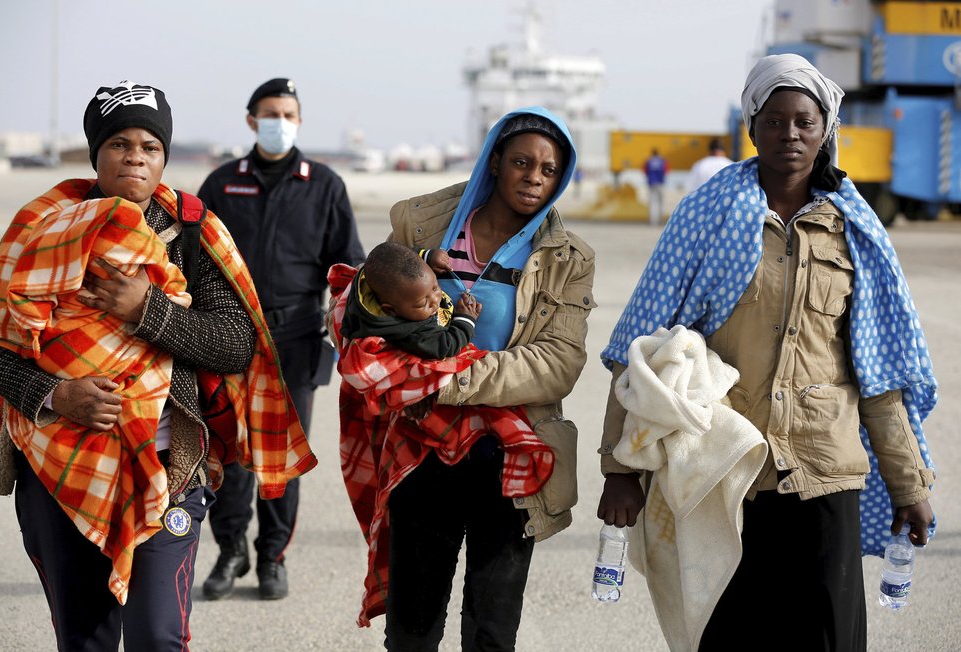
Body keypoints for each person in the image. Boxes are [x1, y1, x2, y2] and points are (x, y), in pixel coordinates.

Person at [598, 54, 937, 651]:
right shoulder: (706, 216)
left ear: (825, 130)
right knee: (732, 636)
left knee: (829, 638)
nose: (790, 135)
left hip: (824, 470)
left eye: (804, 122)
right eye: (774, 121)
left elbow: (881, 373)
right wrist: (620, 472)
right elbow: (641, 352)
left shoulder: (854, 228)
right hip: (725, 469)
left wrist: (909, 487)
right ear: (751, 127)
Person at [0, 80, 313, 651]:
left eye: (150, 146)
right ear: (96, 154)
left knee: (158, 637)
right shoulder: (41, 227)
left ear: (163, 157)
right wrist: (56, 396)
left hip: (168, 466)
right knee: (85, 640)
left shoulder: (190, 232)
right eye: (118, 143)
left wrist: (148, 310)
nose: (135, 155)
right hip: (60, 471)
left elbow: (236, 343)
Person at [334, 107, 595, 650]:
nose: (534, 177)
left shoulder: (570, 260)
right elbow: (368, 307)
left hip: (510, 453)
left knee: (492, 631)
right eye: (522, 162)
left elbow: (558, 364)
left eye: (549, 170)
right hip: (421, 446)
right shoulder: (422, 228)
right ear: (495, 160)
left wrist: (443, 377)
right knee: (412, 626)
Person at [197, 77, 365, 600]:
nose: (280, 122)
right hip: (228, 335)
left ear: (298, 119)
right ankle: (230, 552)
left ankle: (272, 556)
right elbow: (193, 259)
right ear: (251, 120)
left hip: (294, 339)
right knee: (226, 452)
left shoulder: (325, 185)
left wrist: (348, 334)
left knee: (279, 456)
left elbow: (348, 267)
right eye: (270, 113)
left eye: (288, 113)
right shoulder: (223, 184)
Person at [340, 241, 482, 360]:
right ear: (390, 310)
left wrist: (427, 256)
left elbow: (401, 259)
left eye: (435, 288)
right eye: (422, 303)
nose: (435, 301)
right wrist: (465, 319)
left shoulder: (392, 284)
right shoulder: (411, 332)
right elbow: (445, 346)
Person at [643, 148, 669, 225]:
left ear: (652, 153)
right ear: (658, 153)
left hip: (651, 182)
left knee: (652, 203)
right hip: (660, 183)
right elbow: (666, 171)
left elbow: (645, 171)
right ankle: (661, 220)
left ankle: (652, 221)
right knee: (661, 203)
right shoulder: (663, 161)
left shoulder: (648, 161)